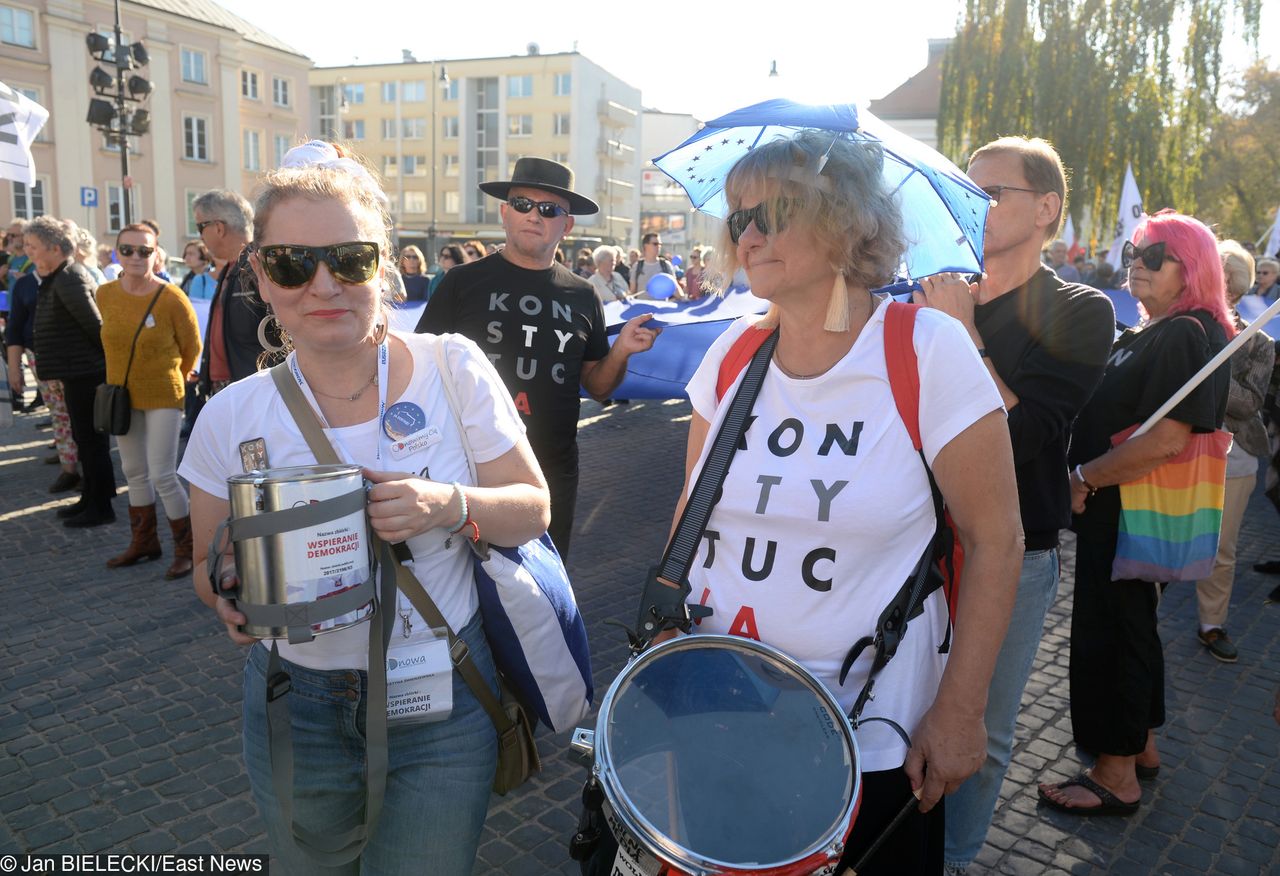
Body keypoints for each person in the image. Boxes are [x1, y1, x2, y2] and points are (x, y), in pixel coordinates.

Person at [181, 143, 550, 875]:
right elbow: (203, 565)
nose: (323, 284)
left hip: (441, 688)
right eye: (292, 262)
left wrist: (446, 503)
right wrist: (227, 595)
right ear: (260, 271)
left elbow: (532, 509)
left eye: (348, 259)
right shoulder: (230, 415)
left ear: (383, 263)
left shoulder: (452, 366)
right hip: (297, 696)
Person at [660, 131, 1022, 873]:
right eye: (739, 218)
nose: (749, 235)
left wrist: (960, 710)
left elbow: (997, 540)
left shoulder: (926, 350)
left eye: (775, 211)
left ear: (850, 221)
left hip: (870, 734)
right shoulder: (730, 354)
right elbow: (688, 519)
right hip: (717, 707)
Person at [914, 136, 1115, 873]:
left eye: (994, 192)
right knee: (897, 711)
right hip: (910, 546)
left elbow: (1026, 433)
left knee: (981, 728)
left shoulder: (1080, 310)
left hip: (1013, 551)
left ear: (1047, 209)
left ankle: (956, 859)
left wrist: (962, 332)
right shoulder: (930, 296)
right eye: (968, 190)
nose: (976, 204)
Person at [1038, 210, 1233, 816]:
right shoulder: (1162, 329)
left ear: (1190, 267)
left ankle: (1115, 771)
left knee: (1112, 633)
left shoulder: (1185, 333)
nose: (1136, 264)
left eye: (1154, 256)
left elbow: (1168, 438)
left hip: (1127, 508)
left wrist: (1081, 477)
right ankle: (1139, 745)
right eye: (1134, 251)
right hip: (1120, 509)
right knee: (1129, 625)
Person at [416, 157, 659, 559]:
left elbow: (598, 387)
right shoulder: (462, 283)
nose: (533, 215)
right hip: (466, 468)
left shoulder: (583, 295)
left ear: (566, 225)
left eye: (548, 209)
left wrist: (621, 351)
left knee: (542, 593)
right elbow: (420, 372)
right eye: (522, 204)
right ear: (504, 212)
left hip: (551, 473)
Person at [98, 223, 202, 579]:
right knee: (133, 471)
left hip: (163, 394)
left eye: (144, 250)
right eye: (127, 250)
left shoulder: (172, 298)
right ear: (117, 253)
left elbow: (192, 347)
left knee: (163, 474)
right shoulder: (105, 294)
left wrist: (177, 374)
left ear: (156, 254)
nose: (135, 257)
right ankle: (144, 542)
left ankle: (187, 549)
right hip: (122, 396)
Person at [1190, 242, 1273, 661]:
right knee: (1161, 531)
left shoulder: (1258, 343)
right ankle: (1139, 612)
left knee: (1222, 547)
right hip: (1180, 447)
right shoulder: (1183, 325)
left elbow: (1248, 403)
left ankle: (1212, 623)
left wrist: (1211, 363)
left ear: (1237, 289)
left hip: (1234, 455)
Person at [27, 216, 117, 527]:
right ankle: (90, 496)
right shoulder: (59, 276)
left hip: (86, 373)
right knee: (83, 439)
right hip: (75, 372)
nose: (29, 252)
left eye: (33, 246)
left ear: (54, 248)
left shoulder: (69, 277)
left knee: (91, 442)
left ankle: (101, 505)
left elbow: (96, 328)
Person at [192, 189, 274, 399]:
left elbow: (278, 333)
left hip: (252, 390)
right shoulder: (231, 267)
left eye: (200, 226)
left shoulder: (256, 265)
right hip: (232, 389)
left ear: (218, 227)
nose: (200, 236)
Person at [630, 231, 682, 297]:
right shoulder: (637, 266)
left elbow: (675, 288)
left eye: (660, 244)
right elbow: (632, 291)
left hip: (661, 306)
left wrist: (684, 299)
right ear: (646, 245)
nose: (658, 246)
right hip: (641, 306)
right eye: (655, 244)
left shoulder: (666, 265)